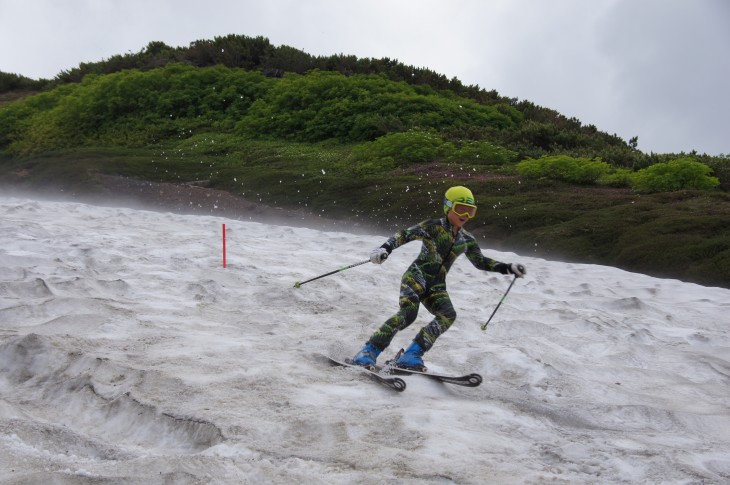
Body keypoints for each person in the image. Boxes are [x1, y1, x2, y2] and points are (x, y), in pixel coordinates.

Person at [351, 185, 526, 371]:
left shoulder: (467, 239)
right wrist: (385, 248)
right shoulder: (433, 226)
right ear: (448, 207)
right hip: (416, 277)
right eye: (461, 209)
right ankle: (368, 351)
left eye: (470, 211)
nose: (465, 215)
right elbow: (405, 235)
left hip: (436, 286)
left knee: (447, 315)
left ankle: (412, 354)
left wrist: (508, 268)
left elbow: (480, 261)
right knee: (408, 314)